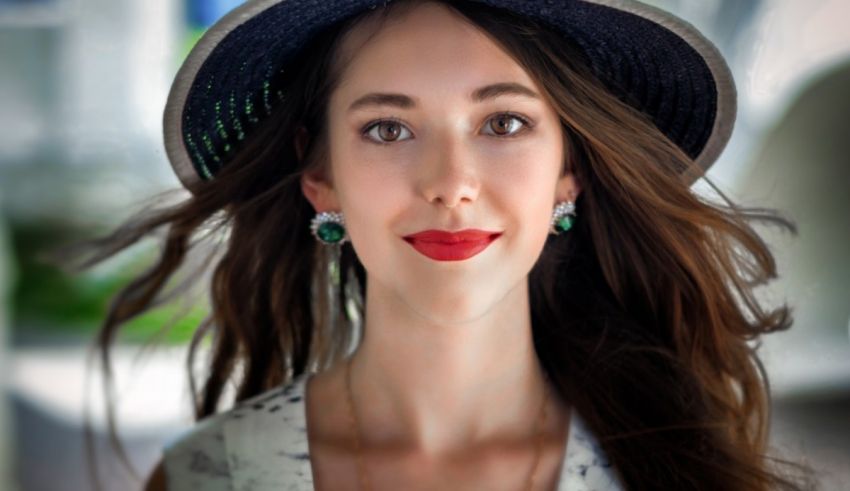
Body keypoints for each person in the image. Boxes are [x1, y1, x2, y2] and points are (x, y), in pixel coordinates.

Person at [67, 0, 815, 489]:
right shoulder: (215, 477)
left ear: (570, 171)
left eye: (504, 123)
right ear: (320, 175)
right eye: (388, 128)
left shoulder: (679, 469)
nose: (451, 183)